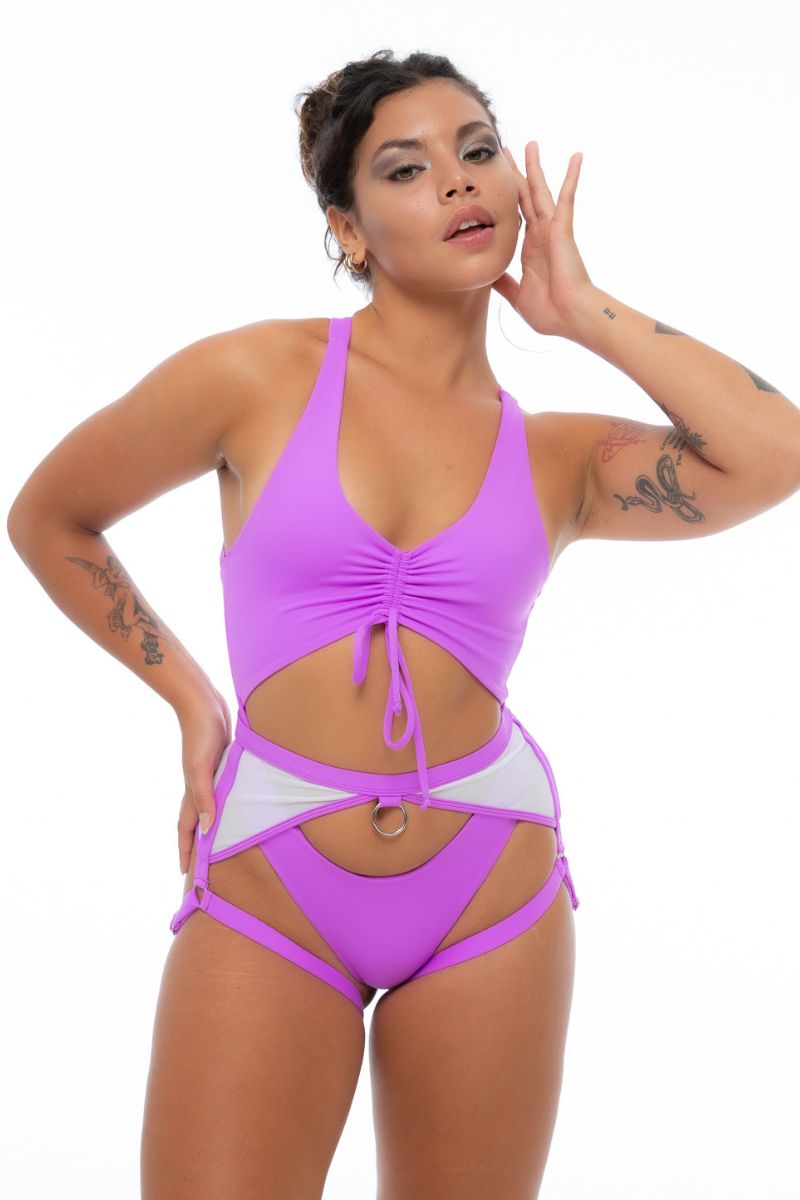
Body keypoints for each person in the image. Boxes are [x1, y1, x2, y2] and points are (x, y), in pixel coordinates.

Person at [7, 46, 800, 1200]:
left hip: (489, 882)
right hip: (275, 868)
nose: (456, 181)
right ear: (347, 228)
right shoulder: (253, 376)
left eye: (476, 151)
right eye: (405, 168)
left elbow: (773, 454)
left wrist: (580, 311)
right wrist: (190, 699)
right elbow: (50, 517)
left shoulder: (559, 456)